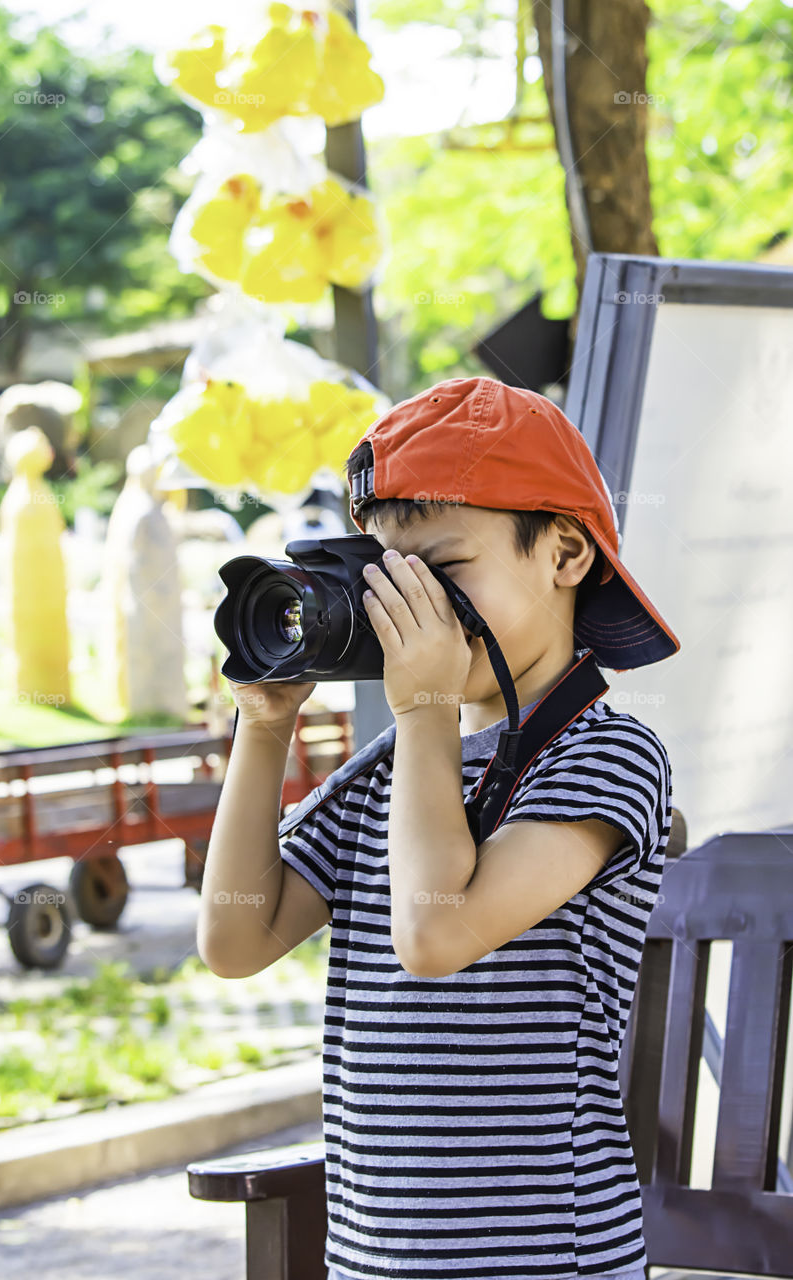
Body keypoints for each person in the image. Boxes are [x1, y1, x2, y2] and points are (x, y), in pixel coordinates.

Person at [198, 376, 680, 1280]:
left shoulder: (606, 756)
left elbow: (434, 934)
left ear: (564, 552)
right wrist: (262, 728)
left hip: (545, 1257)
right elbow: (234, 938)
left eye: (443, 573)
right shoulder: (391, 768)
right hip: (376, 1255)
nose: (409, 612)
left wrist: (423, 712)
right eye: (391, 581)